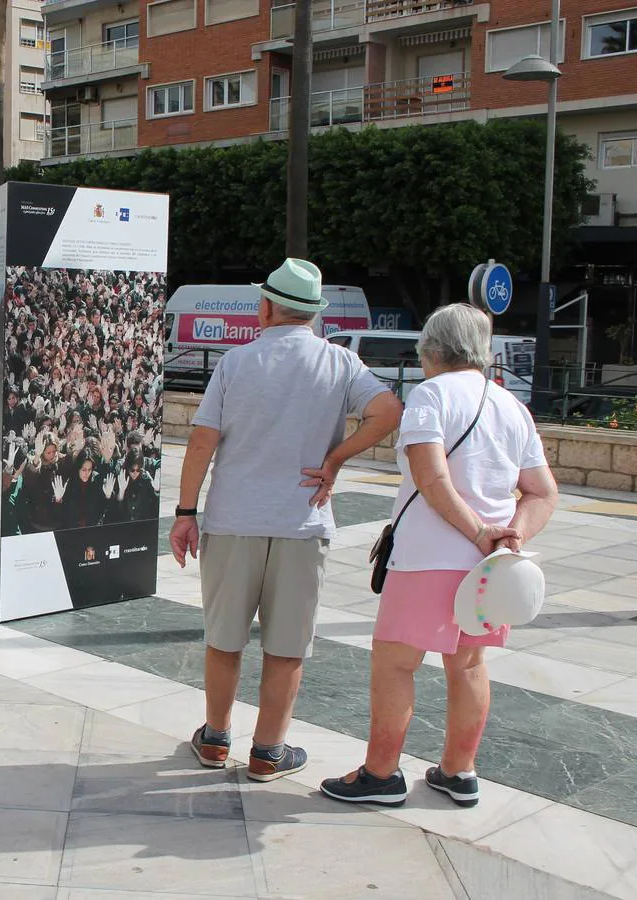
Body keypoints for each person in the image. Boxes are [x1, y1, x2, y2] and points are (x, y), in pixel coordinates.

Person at [169, 258, 401, 783]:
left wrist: (186, 512)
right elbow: (387, 412)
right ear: (313, 313)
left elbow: (203, 439)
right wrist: (336, 459)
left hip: (232, 519)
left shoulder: (236, 363)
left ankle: (215, 738)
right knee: (287, 645)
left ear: (267, 306)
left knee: (224, 638)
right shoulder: (339, 364)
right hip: (303, 520)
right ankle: (268, 752)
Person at [320, 304, 558, 808]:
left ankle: (381, 775)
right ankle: (459, 770)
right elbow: (542, 490)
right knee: (468, 664)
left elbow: (431, 479)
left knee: (396, 663)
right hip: (489, 569)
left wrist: (476, 532)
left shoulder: (429, 396)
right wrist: (508, 535)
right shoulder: (510, 404)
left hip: (430, 556)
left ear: (430, 350)